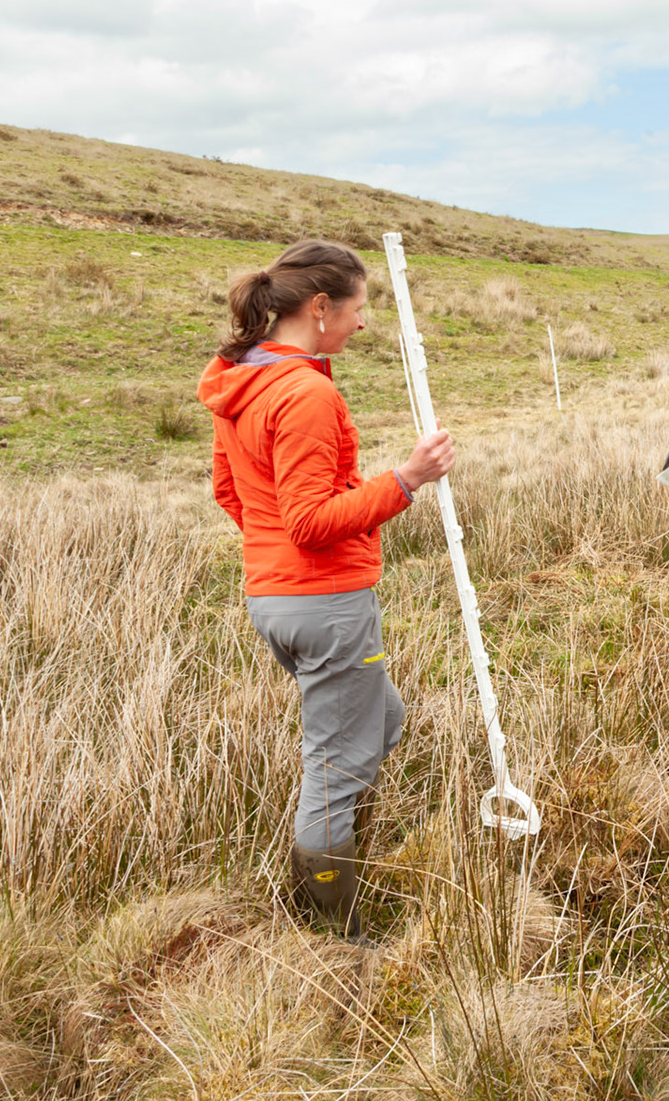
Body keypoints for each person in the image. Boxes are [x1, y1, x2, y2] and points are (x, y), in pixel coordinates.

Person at [197, 239, 454, 940]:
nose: (364, 322)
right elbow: (309, 522)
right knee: (336, 768)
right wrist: (407, 480)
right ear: (319, 308)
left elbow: (231, 492)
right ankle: (332, 934)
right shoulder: (305, 392)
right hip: (325, 603)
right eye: (358, 307)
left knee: (383, 721)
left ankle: (342, 849)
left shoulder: (241, 380)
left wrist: (276, 557)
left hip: (276, 599)